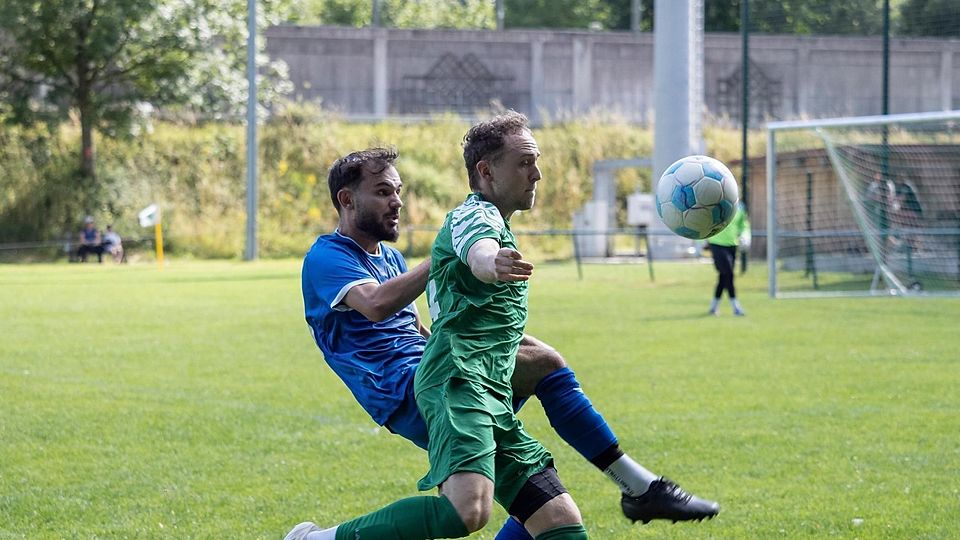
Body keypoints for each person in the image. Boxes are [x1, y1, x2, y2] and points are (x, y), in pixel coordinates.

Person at [290, 118, 718, 539]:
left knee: (558, 521)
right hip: (413, 391)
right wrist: (451, 257)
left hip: (458, 378)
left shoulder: (388, 258)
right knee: (468, 508)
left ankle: (639, 487)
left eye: (398, 191)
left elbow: (417, 326)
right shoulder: (327, 258)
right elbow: (377, 305)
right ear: (346, 200)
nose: (397, 201)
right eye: (383, 192)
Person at [707, 202, 750, 316]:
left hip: (732, 244)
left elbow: (743, 224)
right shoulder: (713, 202)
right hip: (716, 243)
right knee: (729, 274)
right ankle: (736, 306)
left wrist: (745, 235)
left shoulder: (740, 206)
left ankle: (713, 306)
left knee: (723, 276)